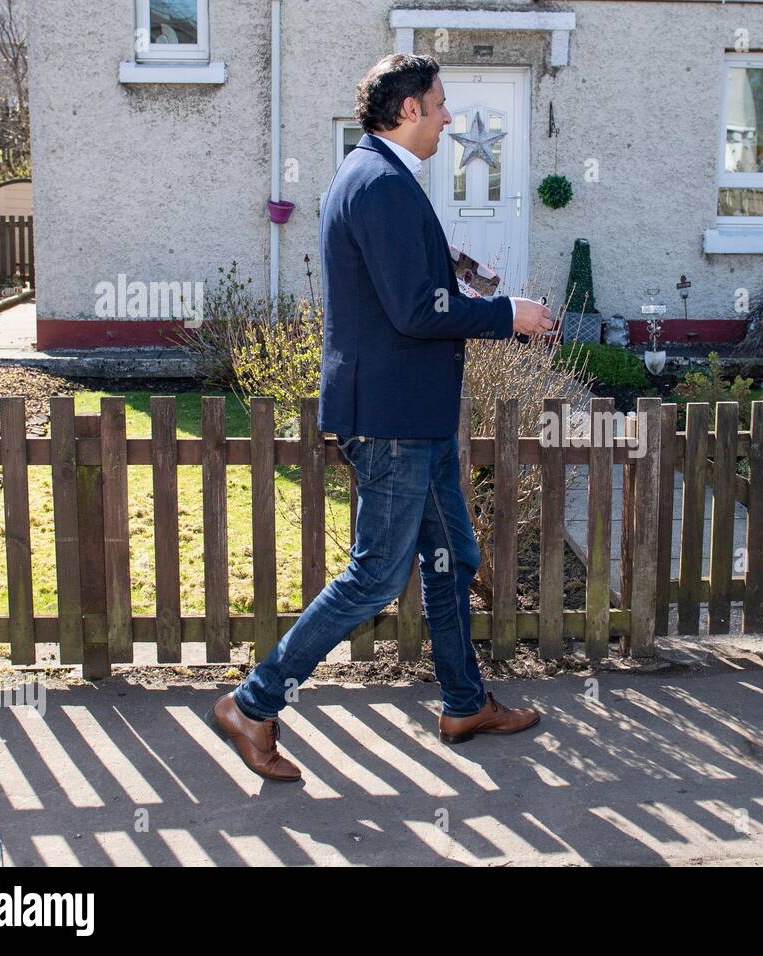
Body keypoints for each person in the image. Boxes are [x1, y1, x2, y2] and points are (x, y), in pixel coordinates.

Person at [207, 53, 554, 782]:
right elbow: (414, 311)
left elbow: (404, 283)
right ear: (408, 112)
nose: (450, 118)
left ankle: (463, 700)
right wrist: (506, 314)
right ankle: (253, 703)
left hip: (411, 415)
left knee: (452, 558)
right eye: (440, 104)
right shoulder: (382, 184)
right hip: (393, 418)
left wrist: (448, 264)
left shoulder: (376, 177)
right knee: (372, 577)